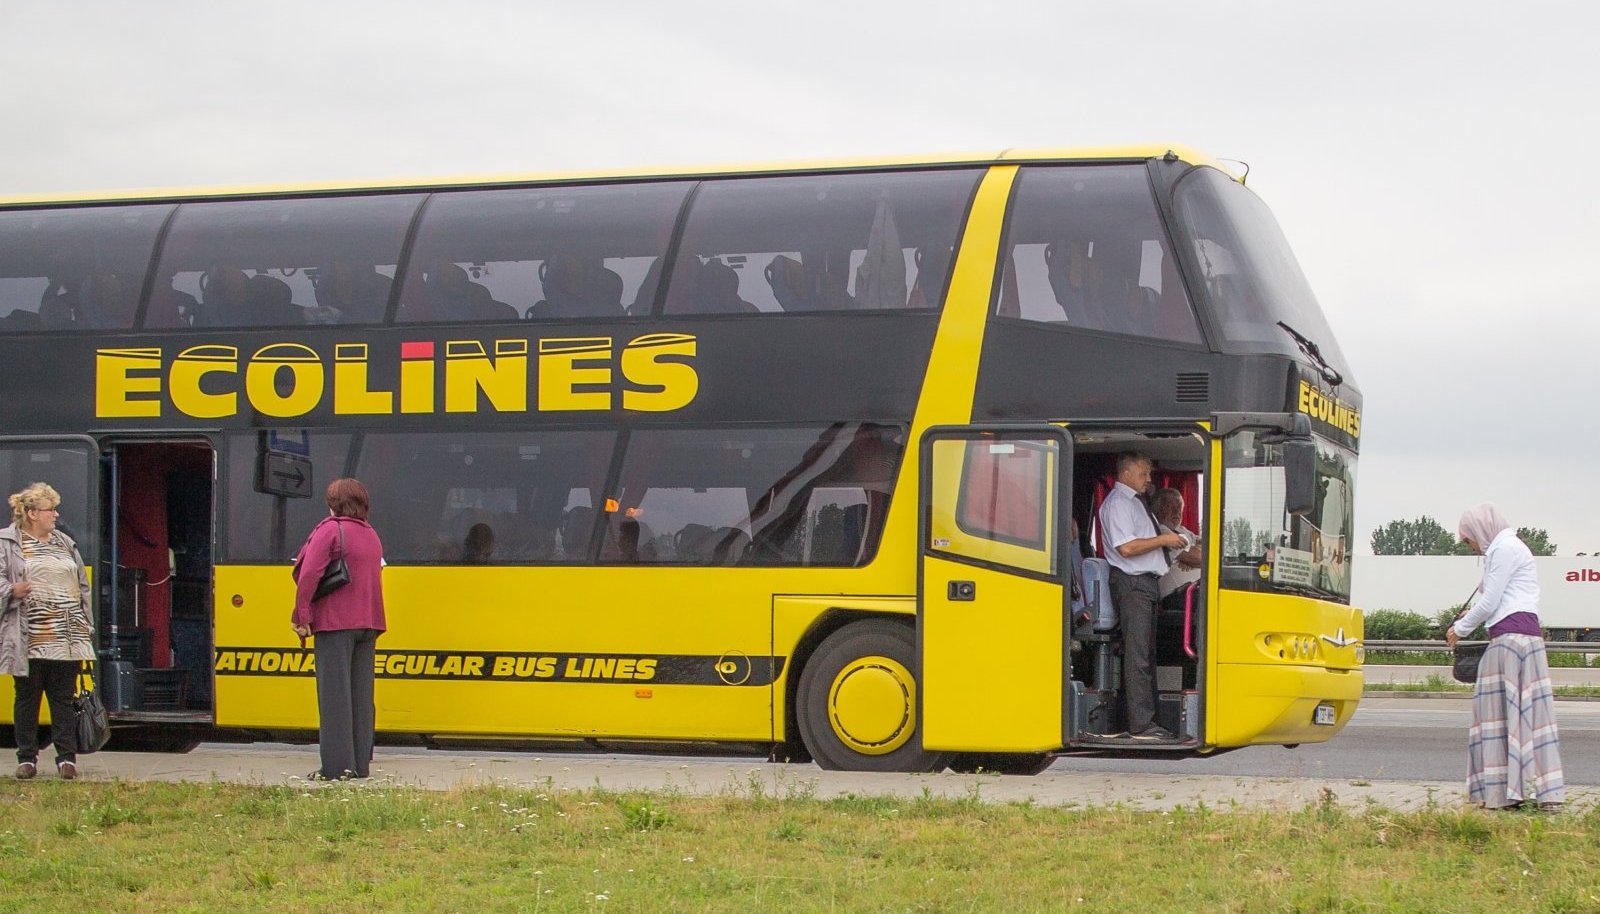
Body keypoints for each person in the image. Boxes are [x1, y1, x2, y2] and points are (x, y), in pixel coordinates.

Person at [1447, 503, 1564, 810]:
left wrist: (1460, 628)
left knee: (1494, 718)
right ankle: (1543, 792)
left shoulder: (1504, 549)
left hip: (1509, 643)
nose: (1470, 546)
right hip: (1525, 641)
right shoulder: (1510, 548)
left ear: (1480, 530)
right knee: (1531, 718)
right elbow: (1499, 600)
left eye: (1468, 539)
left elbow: (1490, 601)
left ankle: (1500, 793)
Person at [292, 478, 386, 780]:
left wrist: (302, 615)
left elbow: (309, 574)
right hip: (369, 623)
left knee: (335, 697)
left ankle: (336, 769)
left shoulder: (331, 530)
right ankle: (360, 766)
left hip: (335, 623)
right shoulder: (371, 534)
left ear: (334, 503)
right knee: (360, 698)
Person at [2, 483, 94, 780]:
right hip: (30, 636)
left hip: (67, 636)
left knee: (63, 699)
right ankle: (27, 758)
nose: (55, 514)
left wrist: (86, 623)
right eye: (49, 509)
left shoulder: (64, 542)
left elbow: (82, 586)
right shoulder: (8, 543)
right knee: (27, 698)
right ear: (31, 513)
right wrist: (11, 591)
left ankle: (66, 759)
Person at [1097, 453, 1188, 741]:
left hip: (1146, 584)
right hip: (1132, 583)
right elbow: (1126, 548)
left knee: (1147, 655)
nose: (1149, 479)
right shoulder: (1118, 504)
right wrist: (1166, 539)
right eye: (1144, 473)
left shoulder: (1135, 503)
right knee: (1138, 656)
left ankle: (1149, 721)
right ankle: (1140, 725)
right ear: (1125, 472)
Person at [1151, 488, 1202, 601]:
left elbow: (1209, 544)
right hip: (1176, 595)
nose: (1177, 512)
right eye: (1171, 507)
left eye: (1180, 508)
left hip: (1194, 589)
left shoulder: (1182, 530)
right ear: (1158, 510)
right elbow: (1199, 558)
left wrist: (1193, 554)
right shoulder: (1160, 530)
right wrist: (1193, 558)